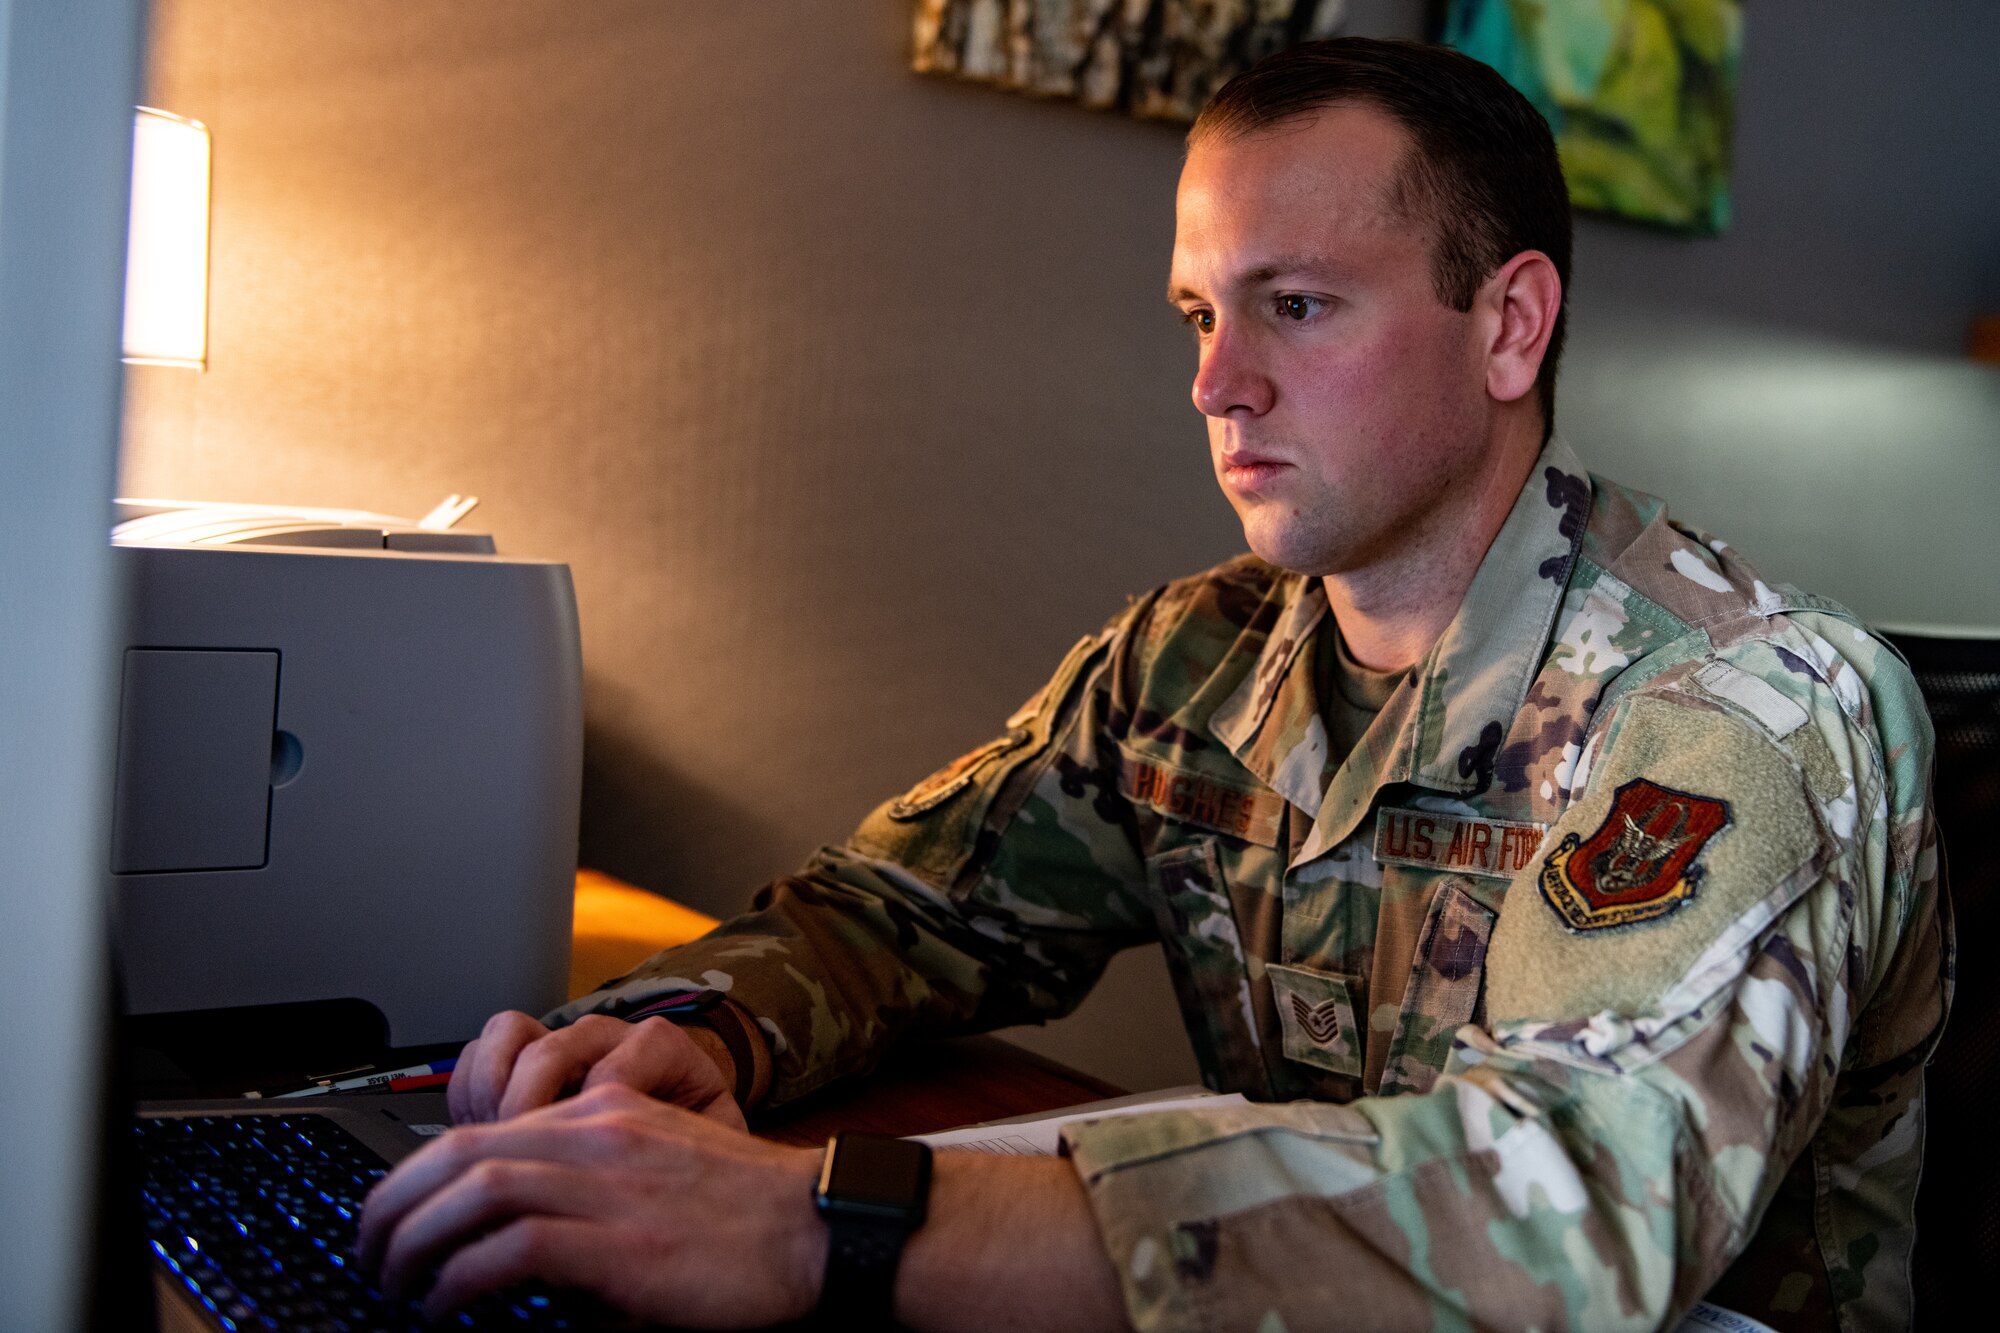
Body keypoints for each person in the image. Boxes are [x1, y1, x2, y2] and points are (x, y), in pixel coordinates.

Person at [356, 38, 1949, 1332]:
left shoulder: (1750, 705)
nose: (1215, 382)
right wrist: (696, 1029)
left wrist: (828, 1225)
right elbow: (904, 911)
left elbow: (1565, 1218)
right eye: (1200, 312)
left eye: (1297, 306)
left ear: (1509, 324)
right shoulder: (1195, 659)